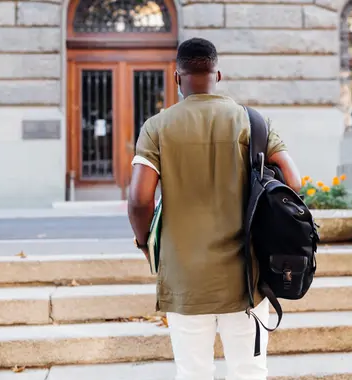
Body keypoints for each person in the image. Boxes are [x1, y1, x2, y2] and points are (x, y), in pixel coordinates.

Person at [127, 37, 301, 380]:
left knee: (192, 372)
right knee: (249, 371)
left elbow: (139, 199)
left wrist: (144, 241)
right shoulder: (252, 122)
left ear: (177, 78)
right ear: (217, 75)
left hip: (184, 276)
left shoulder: (157, 126)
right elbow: (293, 185)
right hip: (247, 276)